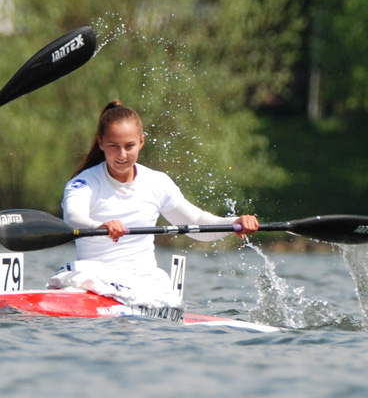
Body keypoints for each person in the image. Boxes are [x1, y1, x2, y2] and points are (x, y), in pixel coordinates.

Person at [55, 101, 258, 302]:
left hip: (142, 281)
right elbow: (73, 217)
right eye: (113, 146)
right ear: (101, 143)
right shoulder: (83, 183)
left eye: (129, 146)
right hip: (92, 277)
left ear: (141, 141)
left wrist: (234, 224)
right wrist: (99, 226)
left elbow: (195, 221)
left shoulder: (157, 182)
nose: (122, 155)